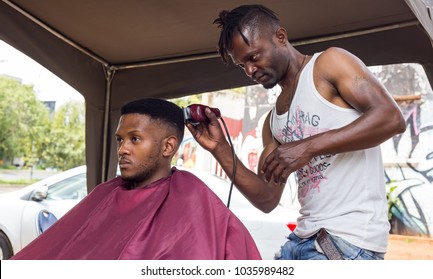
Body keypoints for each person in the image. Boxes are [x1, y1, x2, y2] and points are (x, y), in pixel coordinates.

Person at [187, 5, 406, 260]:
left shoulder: (328, 64)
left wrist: (307, 147)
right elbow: (267, 198)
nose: (249, 70)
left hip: (346, 241)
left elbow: (391, 118)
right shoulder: (272, 121)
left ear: (280, 37)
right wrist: (220, 149)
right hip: (300, 241)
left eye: (253, 57)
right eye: (241, 65)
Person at [11, 98, 261, 260]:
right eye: (120, 140)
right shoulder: (104, 194)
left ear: (168, 147)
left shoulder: (195, 199)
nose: (122, 149)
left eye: (135, 139)